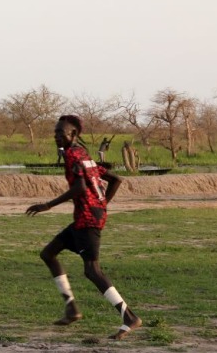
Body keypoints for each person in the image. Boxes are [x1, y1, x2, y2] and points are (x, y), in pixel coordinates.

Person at [26, 115, 142, 339]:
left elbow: (80, 187)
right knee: (48, 253)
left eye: (61, 133)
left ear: (74, 135)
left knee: (92, 270)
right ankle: (71, 309)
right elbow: (115, 179)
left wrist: (48, 205)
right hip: (86, 217)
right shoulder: (83, 155)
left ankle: (129, 317)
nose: (57, 137)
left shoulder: (73, 155)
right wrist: (102, 204)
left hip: (88, 220)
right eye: (55, 134)